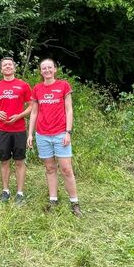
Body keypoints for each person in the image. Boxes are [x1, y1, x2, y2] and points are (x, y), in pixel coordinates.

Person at [27, 58, 83, 217]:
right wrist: (30, 134)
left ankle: (74, 202)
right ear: (40, 71)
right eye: (43, 68)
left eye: (49, 67)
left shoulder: (63, 86)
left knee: (66, 169)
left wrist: (68, 132)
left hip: (60, 134)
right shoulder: (37, 88)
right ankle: (53, 200)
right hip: (42, 134)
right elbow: (34, 112)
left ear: (55, 69)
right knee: (50, 168)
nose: (46, 70)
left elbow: (69, 110)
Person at [0, 57, 32, 204]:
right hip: (2, 130)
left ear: (14, 68)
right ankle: (5, 191)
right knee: (4, 161)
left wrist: (19, 116)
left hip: (19, 129)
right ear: (1, 69)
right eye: (4, 65)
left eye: (10, 65)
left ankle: (20, 193)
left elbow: (32, 106)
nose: (7, 67)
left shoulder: (24, 85)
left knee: (20, 161)